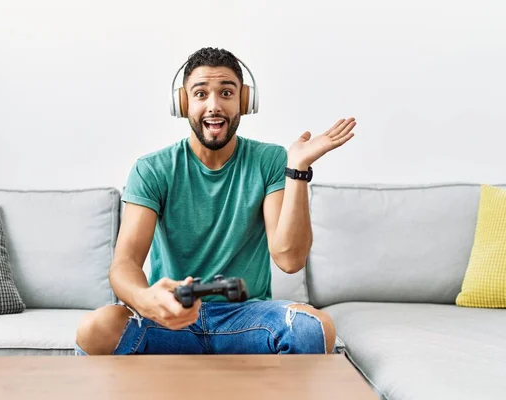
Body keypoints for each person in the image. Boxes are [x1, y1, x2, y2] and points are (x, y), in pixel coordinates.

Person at [75, 47, 356, 355]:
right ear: (182, 102)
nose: (213, 106)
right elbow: (124, 264)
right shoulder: (152, 169)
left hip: (245, 319)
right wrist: (147, 301)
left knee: (314, 326)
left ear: (244, 101)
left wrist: (297, 169)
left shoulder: (271, 160)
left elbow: (289, 260)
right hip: (170, 319)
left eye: (226, 92)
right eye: (200, 94)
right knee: (97, 328)